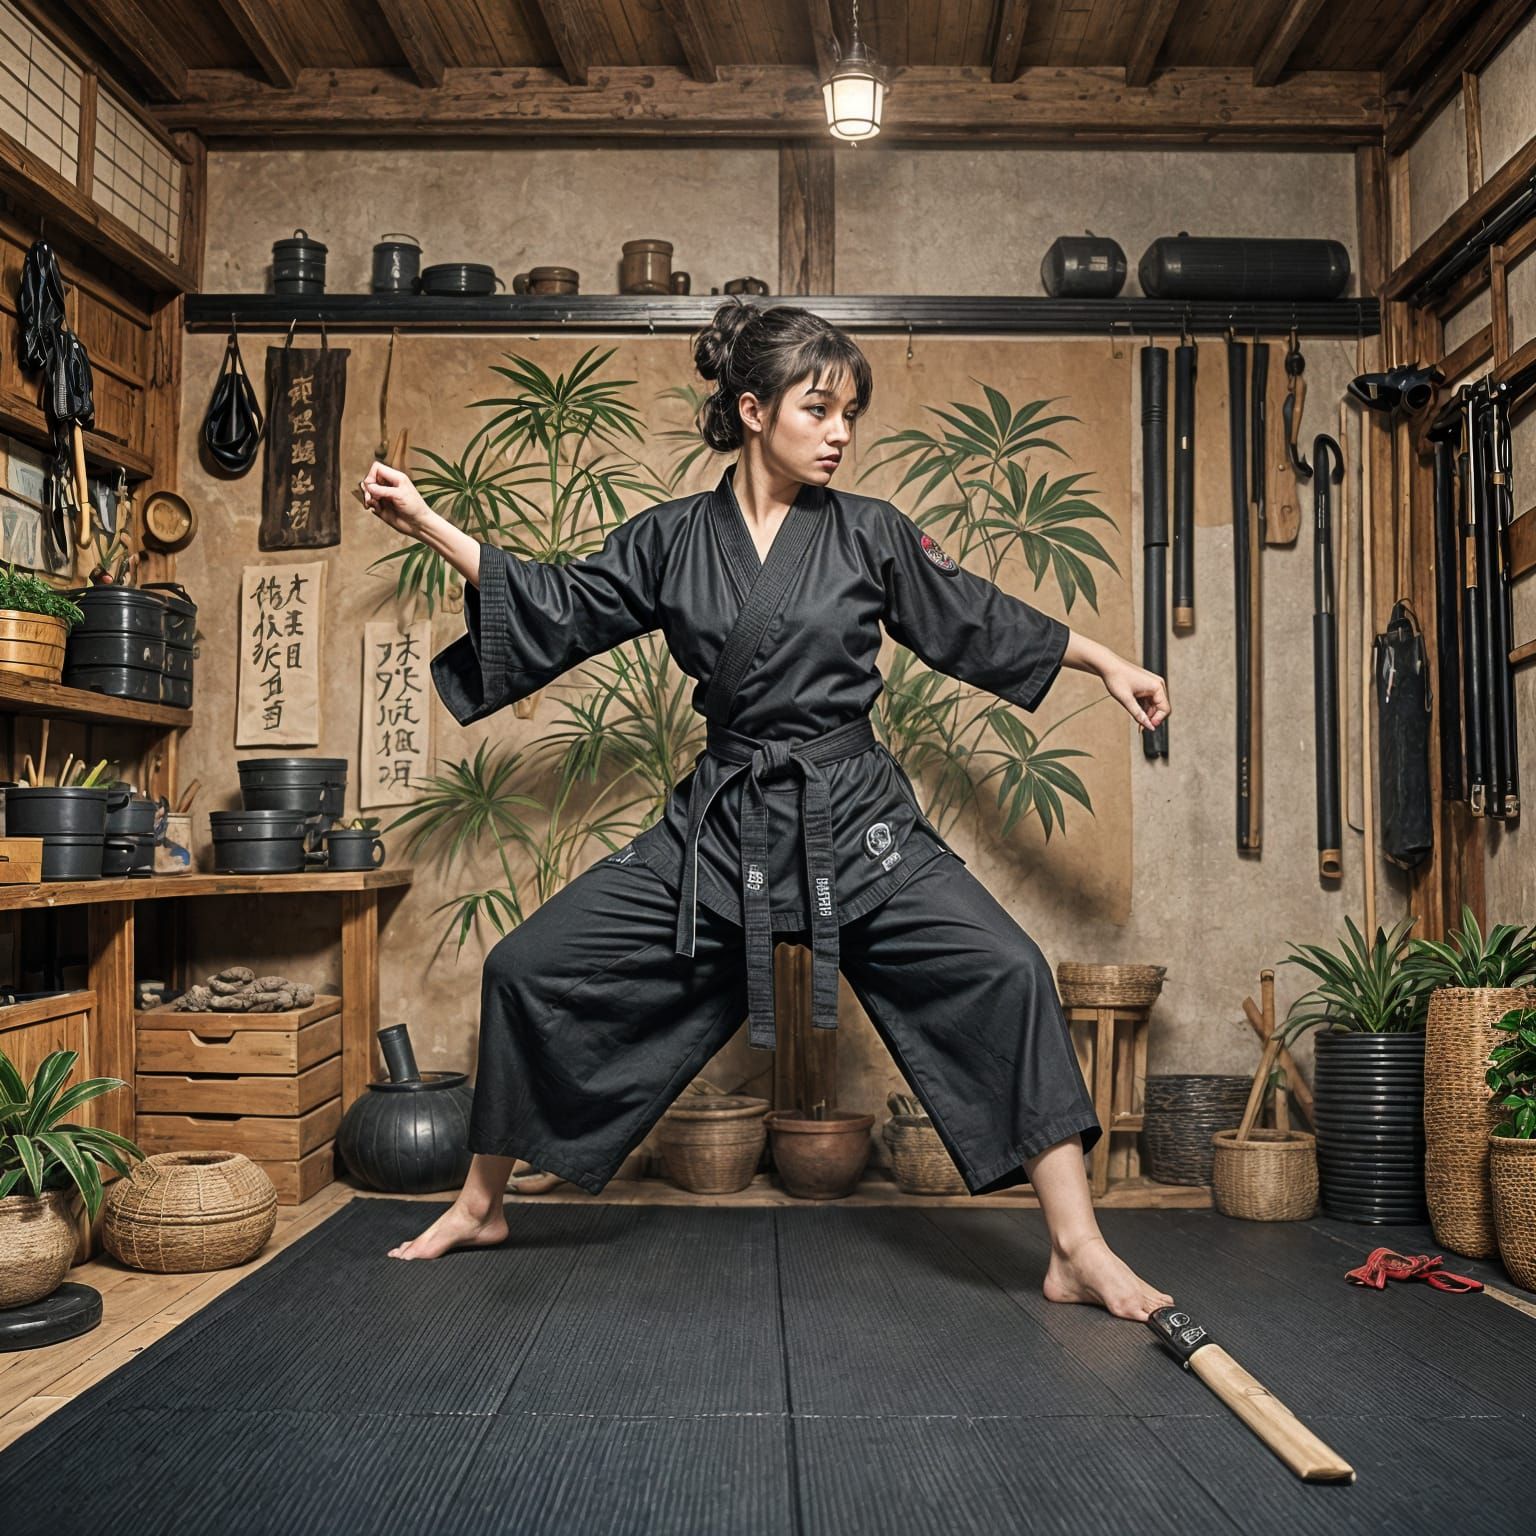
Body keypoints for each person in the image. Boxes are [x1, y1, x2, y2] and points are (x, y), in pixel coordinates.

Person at [362, 301, 1176, 1323]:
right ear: (752, 410)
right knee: (525, 968)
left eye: (850, 414)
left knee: (1006, 971)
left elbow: (974, 616)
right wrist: (432, 523)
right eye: (819, 407)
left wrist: (1105, 660)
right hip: (726, 828)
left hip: (858, 821)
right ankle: (481, 1204)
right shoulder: (671, 539)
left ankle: (1076, 1249)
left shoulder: (871, 532)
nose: (841, 432)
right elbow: (560, 605)